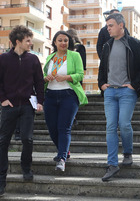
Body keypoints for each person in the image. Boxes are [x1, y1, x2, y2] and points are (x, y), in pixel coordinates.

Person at [0, 25, 44, 196]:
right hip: (10, 106)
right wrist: (3, 100)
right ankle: (0, 180)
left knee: (27, 139)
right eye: (28, 41)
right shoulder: (4, 59)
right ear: (18, 41)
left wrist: (40, 102)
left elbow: (39, 82)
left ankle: (26, 168)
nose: (31, 43)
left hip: (27, 106)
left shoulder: (34, 60)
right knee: (3, 143)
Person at [98, 13, 140, 181]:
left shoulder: (134, 43)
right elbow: (102, 69)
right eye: (107, 26)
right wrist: (102, 85)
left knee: (124, 124)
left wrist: (134, 85)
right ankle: (112, 164)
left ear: (121, 25)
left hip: (127, 91)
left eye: (111, 25)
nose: (108, 28)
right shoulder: (107, 45)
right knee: (110, 126)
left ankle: (127, 152)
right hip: (110, 92)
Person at [43, 30, 88, 172]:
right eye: (60, 40)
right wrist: (45, 78)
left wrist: (67, 77)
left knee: (64, 128)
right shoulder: (50, 57)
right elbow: (44, 75)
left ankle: (61, 158)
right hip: (50, 95)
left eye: (66, 40)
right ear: (55, 43)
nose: (63, 43)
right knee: (52, 129)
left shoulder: (74, 55)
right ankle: (65, 151)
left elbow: (80, 74)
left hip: (69, 95)